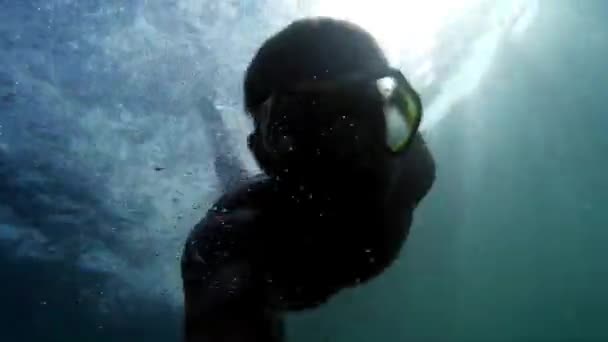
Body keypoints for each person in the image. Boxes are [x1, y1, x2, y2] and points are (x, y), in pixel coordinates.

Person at [181, 17, 436, 342]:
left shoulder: (413, 165)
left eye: (367, 109)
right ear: (265, 155)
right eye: (306, 129)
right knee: (232, 177)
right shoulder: (230, 243)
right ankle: (213, 126)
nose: (355, 150)